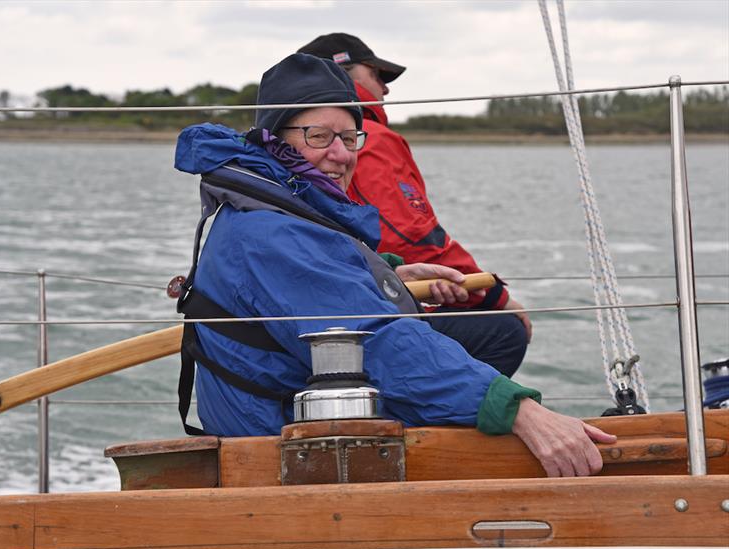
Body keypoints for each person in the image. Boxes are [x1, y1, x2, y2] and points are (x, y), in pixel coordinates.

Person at [175, 53, 615, 477]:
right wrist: (517, 409)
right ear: (274, 139)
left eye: (349, 139)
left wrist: (387, 276)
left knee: (493, 335)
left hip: (280, 409)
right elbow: (376, 339)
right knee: (490, 381)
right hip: (276, 440)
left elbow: (318, 285)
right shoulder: (271, 233)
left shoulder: (275, 209)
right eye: (318, 136)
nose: (342, 155)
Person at [298, 33, 530, 377]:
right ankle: (431, 426)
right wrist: (493, 295)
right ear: (342, 72)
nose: (386, 89)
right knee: (504, 331)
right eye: (378, 76)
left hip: (321, 307)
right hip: (348, 318)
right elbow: (409, 236)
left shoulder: (289, 136)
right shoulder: (368, 139)